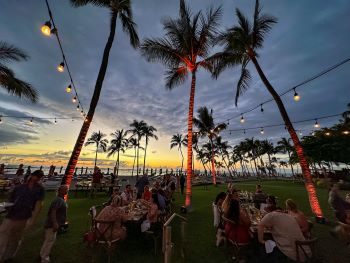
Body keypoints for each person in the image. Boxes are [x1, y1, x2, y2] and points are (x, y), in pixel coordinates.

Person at [0, 170, 45, 262]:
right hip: (12, 215)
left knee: (15, 238)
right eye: (37, 176)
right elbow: (10, 200)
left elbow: (38, 204)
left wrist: (32, 219)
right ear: (32, 176)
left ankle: (8, 257)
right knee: (3, 235)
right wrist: (5, 206)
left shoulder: (40, 189)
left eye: (40, 177)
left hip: (24, 216)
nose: (38, 178)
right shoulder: (20, 188)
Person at [40, 185, 68, 263]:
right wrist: (55, 223)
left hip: (53, 224)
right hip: (51, 224)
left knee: (48, 240)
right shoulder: (58, 200)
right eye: (65, 190)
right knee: (49, 240)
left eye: (67, 190)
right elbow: (53, 211)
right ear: (60, 191)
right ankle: (44, 258)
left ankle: (42, 254)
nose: (66, 191)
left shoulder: (61, 199)